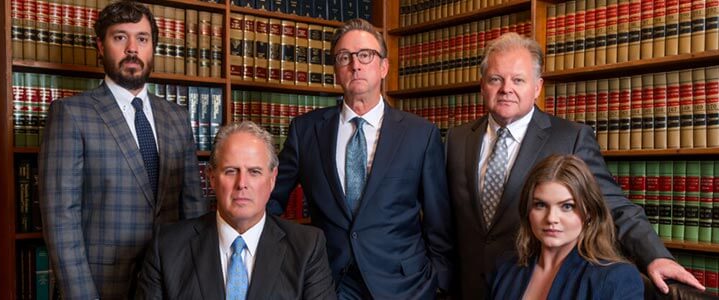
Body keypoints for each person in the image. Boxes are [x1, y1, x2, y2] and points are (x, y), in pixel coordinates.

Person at [444, 32, 704, 299]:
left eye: (518, 80)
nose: (506, 88)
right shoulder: (457, 138)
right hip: (466, 287)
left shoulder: (570, 137)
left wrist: (655, 256)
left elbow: (614, 205)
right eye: (495, 79)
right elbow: (441, 219)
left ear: (537, 87)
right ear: (482, 85)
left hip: (538, 282)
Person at [268, 18, 453, 299]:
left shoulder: (421, 134)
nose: (356, 64)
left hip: (405, 285)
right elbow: (269, 199)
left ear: (383, 67)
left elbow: (439, 222)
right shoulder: (305, 131)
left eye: (365, 55)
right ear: (336, 70)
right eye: (345, 57)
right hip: (328, 282)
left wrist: (439, 283)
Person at [38, 2, 208, 299]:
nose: (132, 48)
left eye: (142, 39)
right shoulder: (71, 114)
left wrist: (193, 281)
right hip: (101, 284)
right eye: (120, 37)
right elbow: (61, 220)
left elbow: (193, 209)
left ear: (152, 47)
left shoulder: (177, 117)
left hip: (169, 281)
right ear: (100, 47)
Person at [136, 121, 336, 300]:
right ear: (211, 177)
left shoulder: (307, 247)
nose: (242, 184)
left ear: (273, 179)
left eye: (254, 172)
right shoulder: (167, 247)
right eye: (231, 171)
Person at [489, 155, 644, 299]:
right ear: (527, 210)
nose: (551, 218)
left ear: (589, 212)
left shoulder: (617, 277)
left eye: (567, 207)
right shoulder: (505, 268)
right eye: (540, 205)